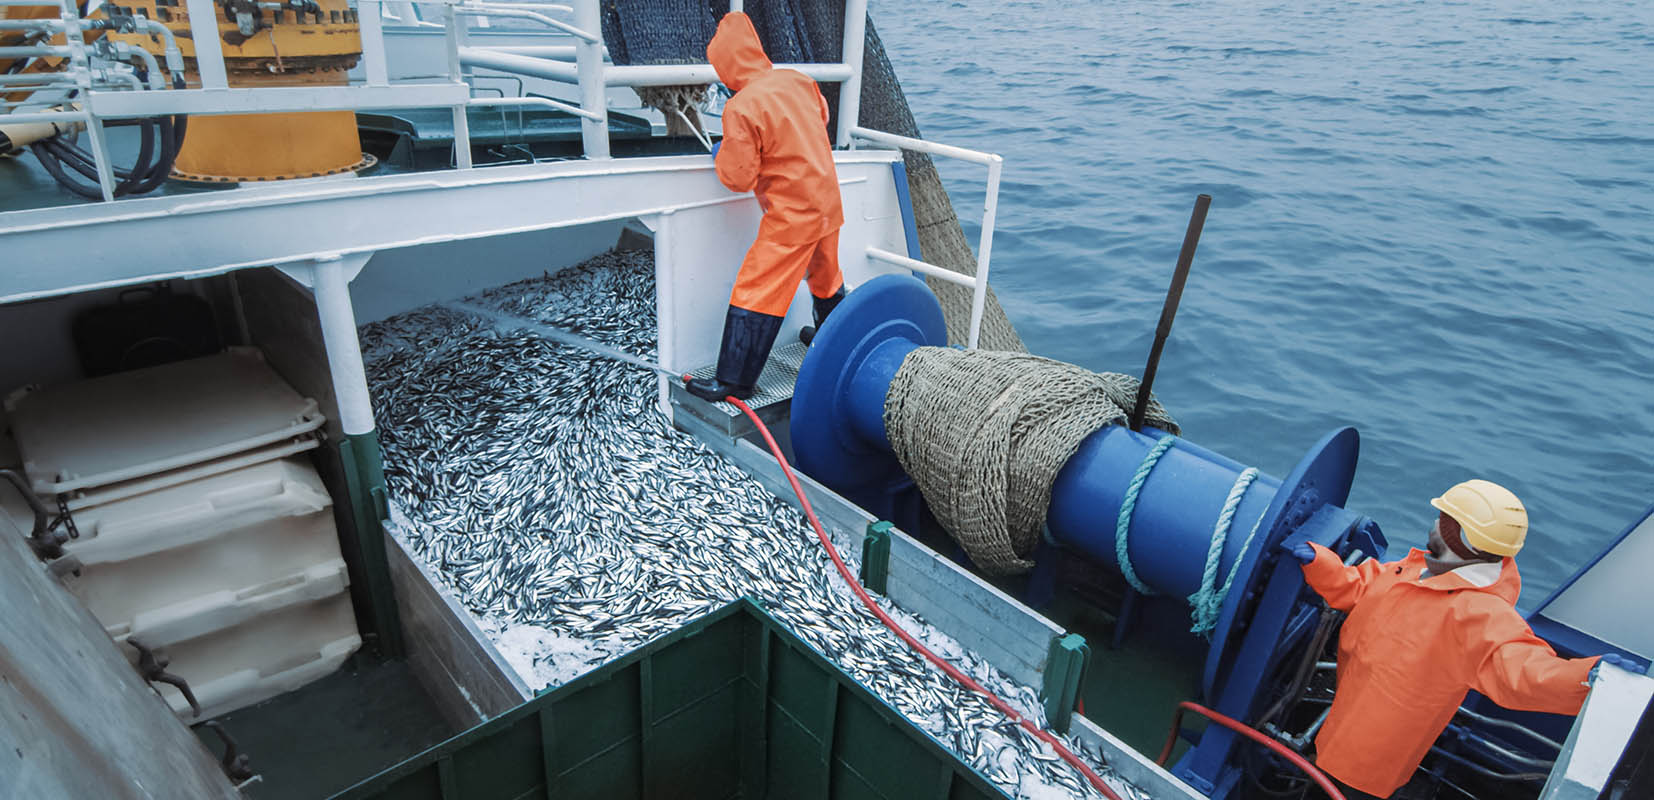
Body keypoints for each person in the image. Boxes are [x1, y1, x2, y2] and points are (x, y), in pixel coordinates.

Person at [1291, 479, 1640, 799]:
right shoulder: (1415, 571)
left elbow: (1525, 672)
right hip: (1341, 718)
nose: (1433, 525)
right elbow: (1359, 586)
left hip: (1368, 766)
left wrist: (1586, 678)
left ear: (1458, 536)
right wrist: (1320, 562)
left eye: (1443, 520)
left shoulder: (1482, 617)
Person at [685, 11, 847, 403]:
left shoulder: (740, 108)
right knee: (826, 277)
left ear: (724, 65)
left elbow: (738, 177)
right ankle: (830, 343)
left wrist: (721, 151)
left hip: (793, 216)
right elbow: (821, 116)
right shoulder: (798, 80)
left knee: (757, 288)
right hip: (827, 201)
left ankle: (735, 381)